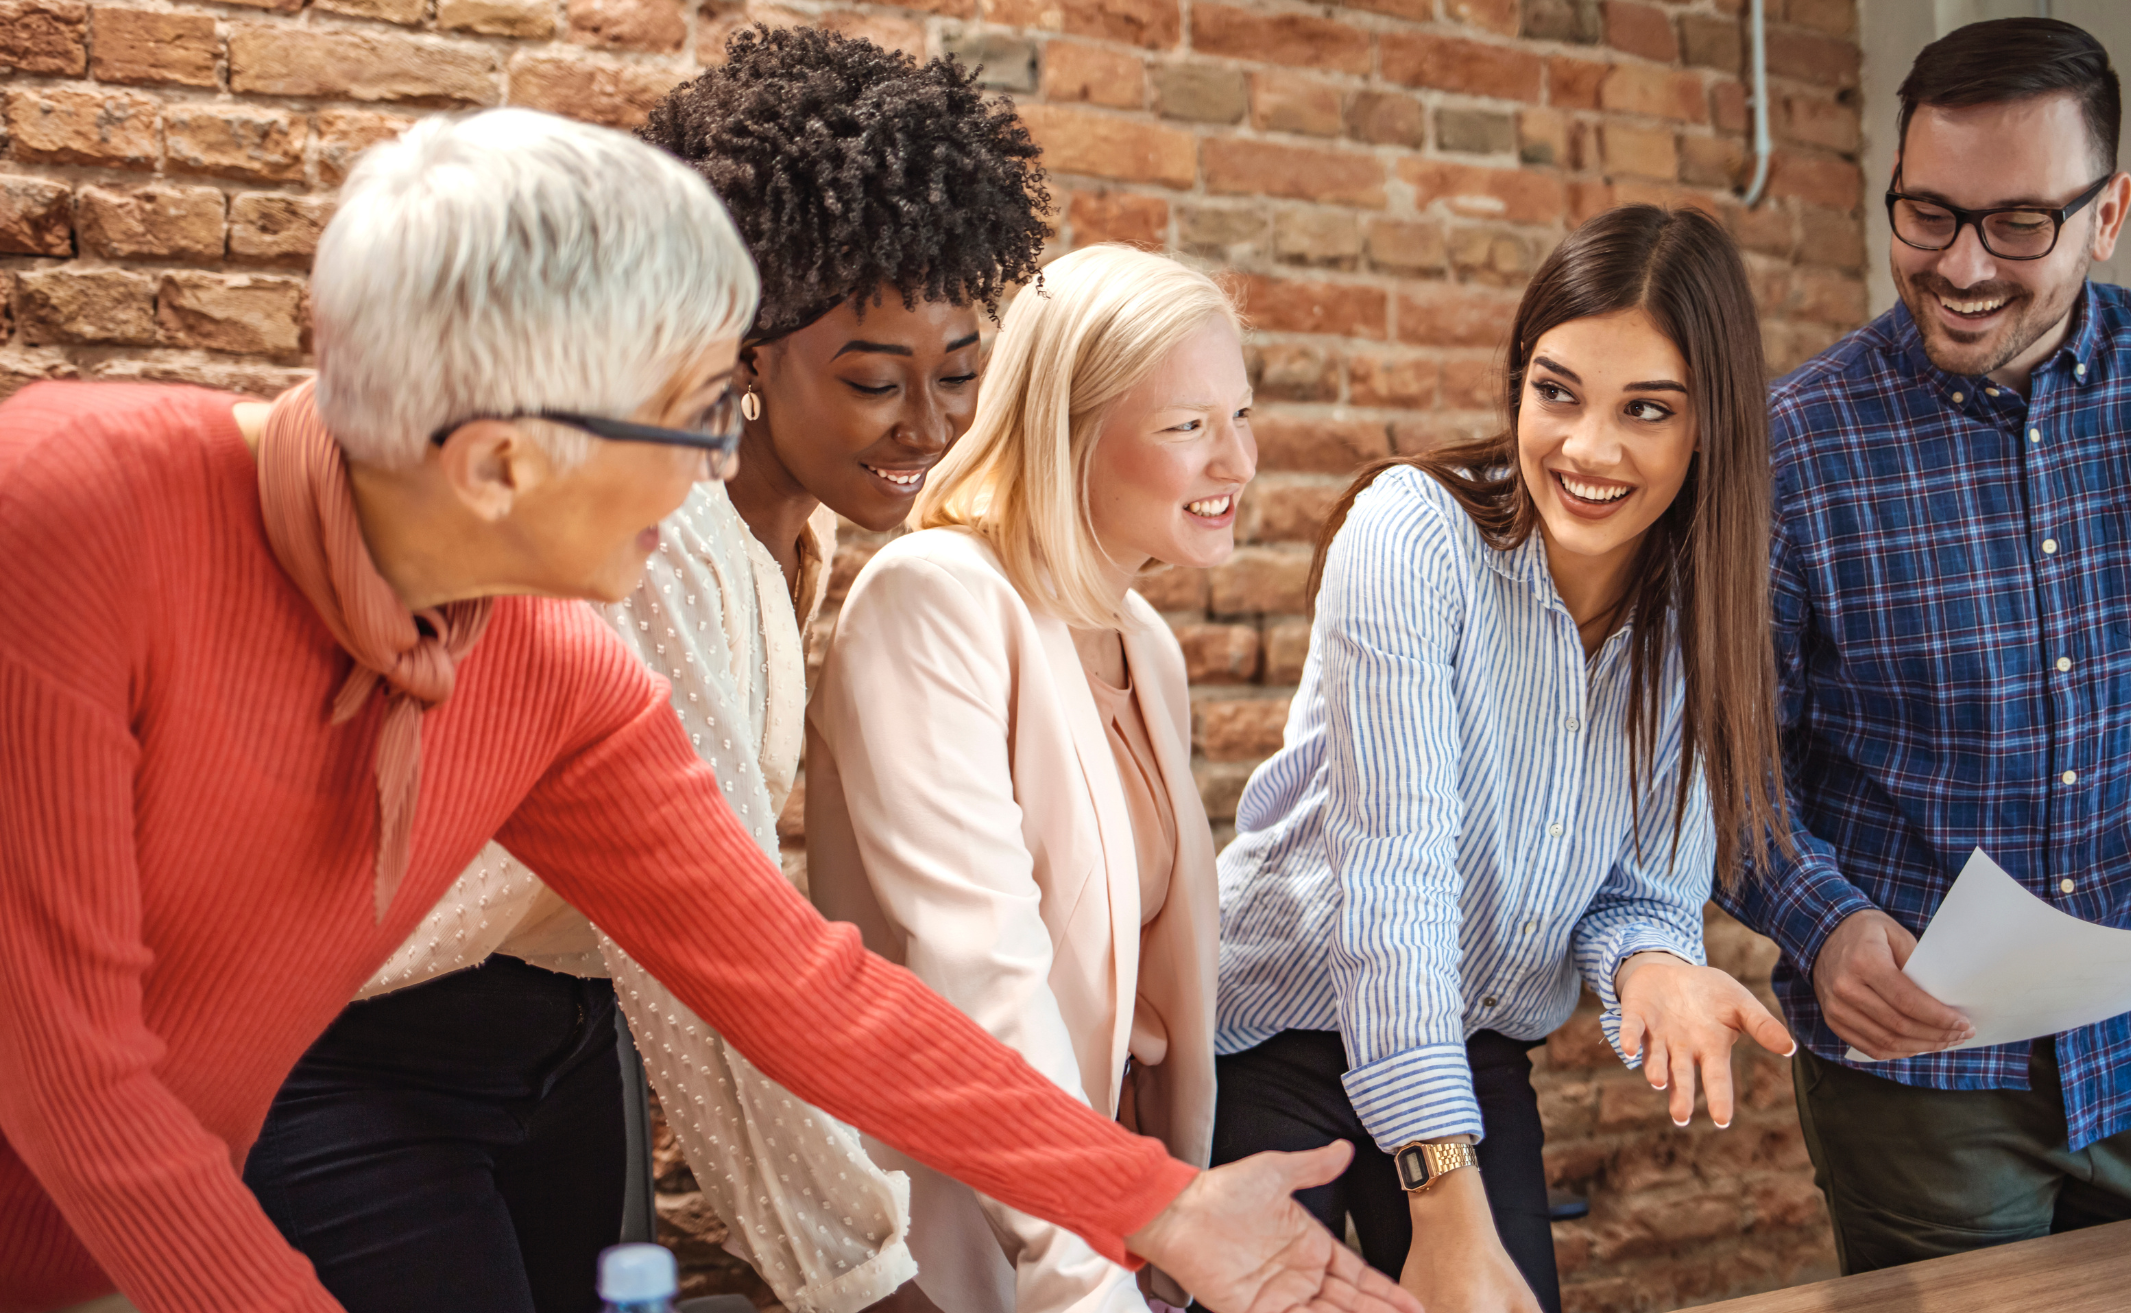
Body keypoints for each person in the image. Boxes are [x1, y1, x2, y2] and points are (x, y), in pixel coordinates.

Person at [0, 107, 1417, 1313]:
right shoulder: (66, 518)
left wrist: (1160, 1206)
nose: (708, 473)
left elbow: (802, 991)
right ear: (498, 462)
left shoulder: (553, 668)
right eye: (691, 418)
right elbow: (77, 1088)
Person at [240, 30, 1042, 1313]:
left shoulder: (802, 533)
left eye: (958, 371)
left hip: (561, 1049)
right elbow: (715, 959)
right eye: (875, 382)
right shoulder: (664, 542)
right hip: (365, 1057)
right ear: (745, 356)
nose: (932, 427)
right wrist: (868, 1278)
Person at [1714, 17, 2131, 1274]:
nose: (1960, 265)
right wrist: (1822, 920)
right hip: (1920, 1087)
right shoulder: (1792, 447)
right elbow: (1723, 759)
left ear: (2107, 211)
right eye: (1926, 215)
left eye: (2017, 223)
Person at [1210, 205, 1800, 1313]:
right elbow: (1394, 885)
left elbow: (1636, 891)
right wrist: (1443, 1206)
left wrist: (1650, 962)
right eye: (1556, 390)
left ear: (1707, 428)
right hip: (1278, 1037)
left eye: (1646, 411)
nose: (1585, 447)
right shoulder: (1410, 537)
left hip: (1473, 1048)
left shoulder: (1701, 616)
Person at [804, 243, 1246, 1313]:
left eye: (1239, 415)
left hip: (1117, 1228)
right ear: (1069, 432)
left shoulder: (1144, 644)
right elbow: (984, 977)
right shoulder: (936, 598)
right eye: (1187, 427)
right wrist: (1085, 1274)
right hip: (968, 1241)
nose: (1233, 462)